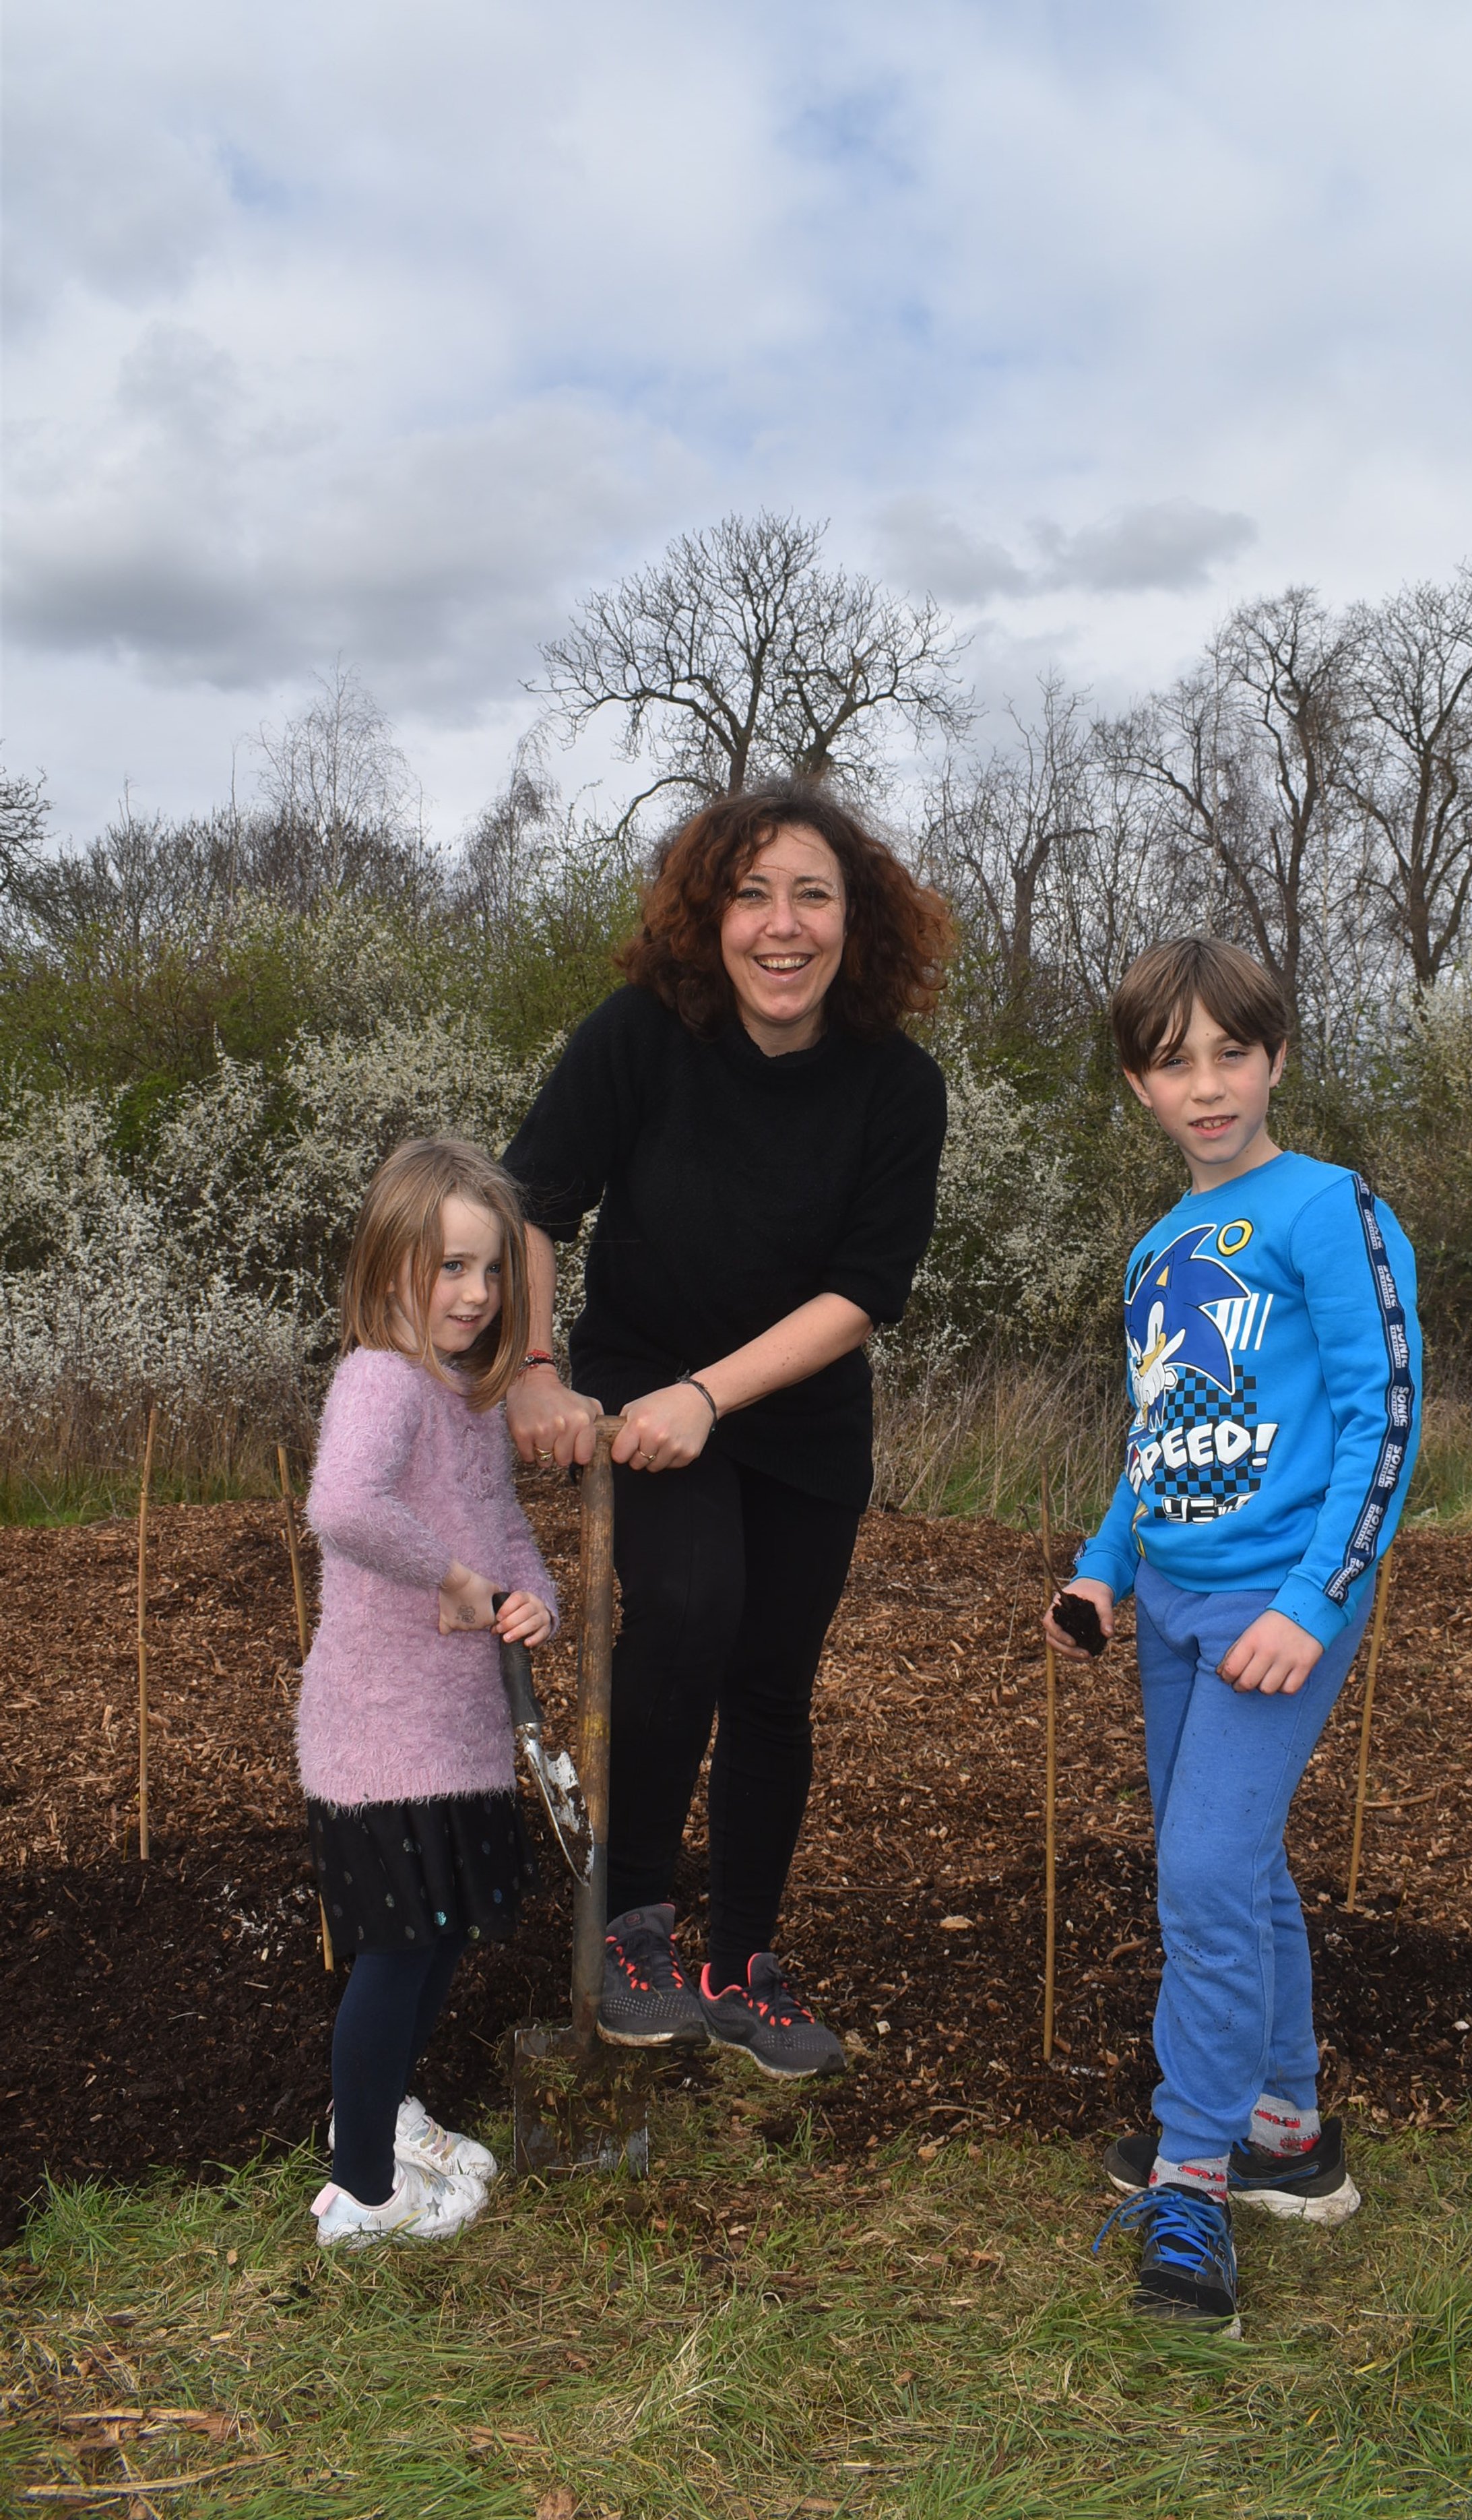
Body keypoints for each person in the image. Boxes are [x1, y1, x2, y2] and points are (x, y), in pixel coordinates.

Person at [502, 780, 950, 2077]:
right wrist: (537, 1368)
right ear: (711, 920)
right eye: (752, 895)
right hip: (641, 1390)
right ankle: (634, 1918)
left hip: (799, 1418)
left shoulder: (897, 1089)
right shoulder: (640, 1038)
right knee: (688, 1612)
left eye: (813, 894)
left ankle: (740, 1958)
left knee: (772, 1682)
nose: (782, 926)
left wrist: (716, 1397)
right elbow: (535, 1197)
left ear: (856, 922)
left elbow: (867, 1294)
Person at [1046, 936, 1419, 2335]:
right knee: (1231, 1868)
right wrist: (1098, 1573)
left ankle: (1191, 2183)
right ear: (1138, 1082)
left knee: (1200, 1874)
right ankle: (1284, 2127)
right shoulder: (1153, 1249)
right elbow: (1156, 1439)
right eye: (1169, 1061)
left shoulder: (1330, 1210)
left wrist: (1311, 1602)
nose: (1203, 1086)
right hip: (1175, 1605)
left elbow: (1384, 1418)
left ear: (1274, 1058)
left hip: (1281, 1603)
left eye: (1228, 1053)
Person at [298, 1137, 559, 2248]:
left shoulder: (467, 1401)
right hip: (380, 1733)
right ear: (389, 1263)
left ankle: (385, 2117)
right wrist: (455, 1581)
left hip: (453, 1735)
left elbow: (501, 1528)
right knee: (398, 1947)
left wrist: (529, 1594)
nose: (474, 1294)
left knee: (438, 1938)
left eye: (492, 1270)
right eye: (449, 1267)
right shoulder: (379, 1380)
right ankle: (363, 2194)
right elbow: (345, 1506)